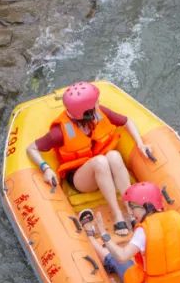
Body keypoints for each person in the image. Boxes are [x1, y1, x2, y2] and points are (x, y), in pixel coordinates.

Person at [26, 82, 151, 237]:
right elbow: (31, 148)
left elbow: (127, 121)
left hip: (103, 166)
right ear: (85, 112)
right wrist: (46, 168)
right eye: (95, 103)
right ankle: (117, 214)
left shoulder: (99, 113)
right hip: (81, 178)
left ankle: (131, 211)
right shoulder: (59, 132)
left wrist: (140, 143)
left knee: (114, 156)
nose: (99, 104)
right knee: (100, 161)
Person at [82, 182, 180, 283]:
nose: (132, 213)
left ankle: (90, 238)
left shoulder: (143, 232)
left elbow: (121, 256)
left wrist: (105, 235)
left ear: (145, 207)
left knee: (120, 261)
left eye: (133, 207)